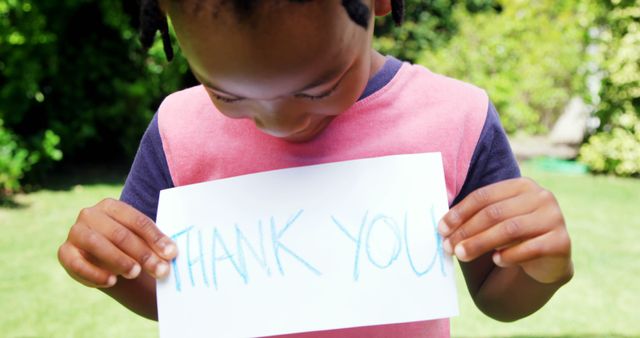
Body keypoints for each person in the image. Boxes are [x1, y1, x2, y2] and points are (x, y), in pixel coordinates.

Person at [57, 0, 574, 336]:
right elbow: (176, 298)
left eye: (318, 88)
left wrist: (541, 269)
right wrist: (114, 267)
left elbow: (496, 297)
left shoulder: (457, 118)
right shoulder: (178, 130)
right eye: (227, 94)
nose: (278, 122)